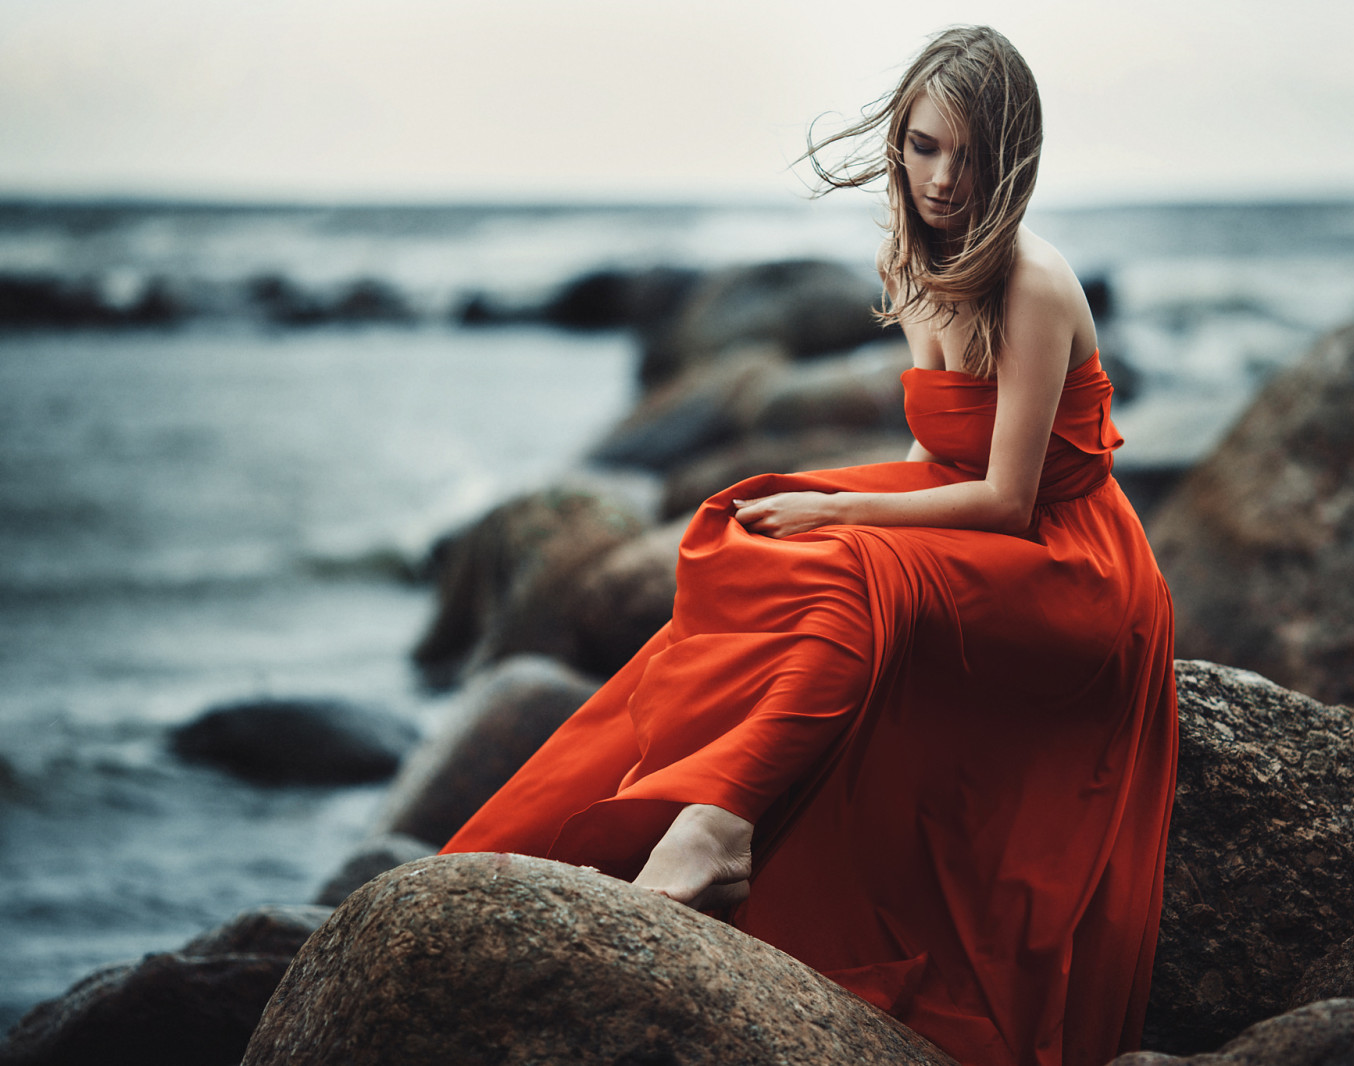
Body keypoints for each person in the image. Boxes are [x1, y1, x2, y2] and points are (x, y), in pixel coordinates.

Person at [442, 25, 1178, 1066]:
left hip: (1077, 571)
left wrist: (844, 517)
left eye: (967, 155)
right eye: (922, 147)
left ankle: (720, 824)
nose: (940, 177)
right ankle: (640, 814)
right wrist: (819, 507)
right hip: (994, 534)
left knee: (849, 556)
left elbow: (1009, 502)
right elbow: (934, 451)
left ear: (1010, 156)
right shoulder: (916, 265)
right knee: (752, 525)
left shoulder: (1034, 281)